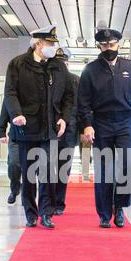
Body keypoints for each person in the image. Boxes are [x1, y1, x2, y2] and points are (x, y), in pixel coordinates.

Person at [78, 27, 131, 228]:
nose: (108, 48)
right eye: (104, 45)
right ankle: (104, 214)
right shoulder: (90, 70)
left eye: (111, 45)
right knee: (104, 169)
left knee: (126, 166)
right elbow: (83, 102)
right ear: (99, 46)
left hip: (125, 123)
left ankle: (119, 208)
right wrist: (87, 125)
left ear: (119, 44)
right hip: (100, 124)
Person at [3, 25, 74, 229]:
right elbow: (10, 93)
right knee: (28, 174)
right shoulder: (17, 64)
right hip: (25, 129)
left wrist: (64, 118)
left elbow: (69, 95)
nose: (53, 47)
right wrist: (16, 114)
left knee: (47, 173)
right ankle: (30, 213)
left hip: (49, 129)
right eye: (50, 43)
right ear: (37, 44)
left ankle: (46, 213)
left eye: (54, 43)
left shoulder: (58, 67)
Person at [54, 47, 79, 215]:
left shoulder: (76, 80)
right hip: (49, 130)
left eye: (63, 61)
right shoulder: (47, 78)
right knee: (47, 168)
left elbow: (80, 106)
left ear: (67, 63)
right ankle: (48, 201)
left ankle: (58, 203)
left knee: (63, 169)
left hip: (69, 132)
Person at [0, 101, 22, 204]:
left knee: (29, 168)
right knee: (13, 164)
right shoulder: (11, 95)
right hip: (15, 137)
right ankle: (15, 189)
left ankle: (27, 196)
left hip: (33, 136)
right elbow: (4, 113)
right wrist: (2, 132)